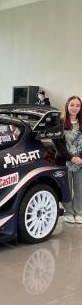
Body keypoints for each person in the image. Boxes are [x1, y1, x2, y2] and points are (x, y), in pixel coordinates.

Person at [61, 96, 82, 224]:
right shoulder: (60, 122)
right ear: (67, 106)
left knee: (80, 188)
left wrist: (81, 158)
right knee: (66, 188)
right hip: (65, 162)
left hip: (80, 162)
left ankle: (78, 212)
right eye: (72, 105)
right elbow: (58, 144)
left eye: (78, 105)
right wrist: (71, 157)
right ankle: (68, 212)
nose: (74, 108)